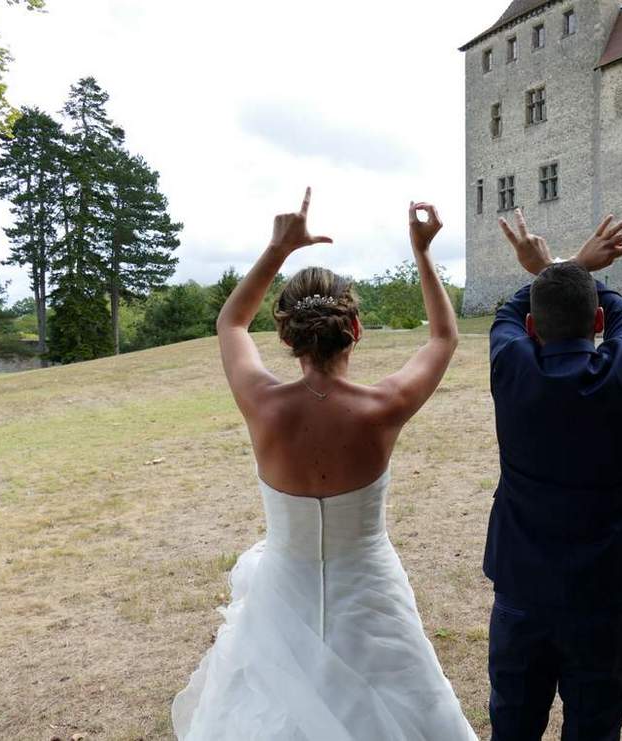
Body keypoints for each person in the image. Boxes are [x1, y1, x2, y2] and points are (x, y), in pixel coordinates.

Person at [172, 188, 477, 740]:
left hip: (281, 594)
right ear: (354, 331)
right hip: (370, 591)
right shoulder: (382, 408)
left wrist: (277, 249)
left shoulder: (262, 404)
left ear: (286, 338)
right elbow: (443, 337)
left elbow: (231, 325)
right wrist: (423, 251)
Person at [483, 209, 622, 740]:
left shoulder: (512, 367)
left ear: (533, 329)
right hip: (606, 592)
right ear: (597, 325)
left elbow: (508, 314)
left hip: (523, 588)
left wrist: (560, 267)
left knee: (513, 728)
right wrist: (572, 268)